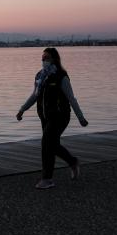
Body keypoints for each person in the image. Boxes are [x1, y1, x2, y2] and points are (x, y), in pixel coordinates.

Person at [16, 47, 88, 189]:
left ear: (54, 59)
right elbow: (35, 95)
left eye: (47, 58)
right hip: (45, 117)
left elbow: (71, 99)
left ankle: (47, 179)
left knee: (46, 144)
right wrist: (22, 110)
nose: (44, 61)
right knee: (52, 145)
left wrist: (81, 117)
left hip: (60, 116)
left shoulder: (61, 76)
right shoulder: (40, 76)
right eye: (42, 58)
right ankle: (72, 161)